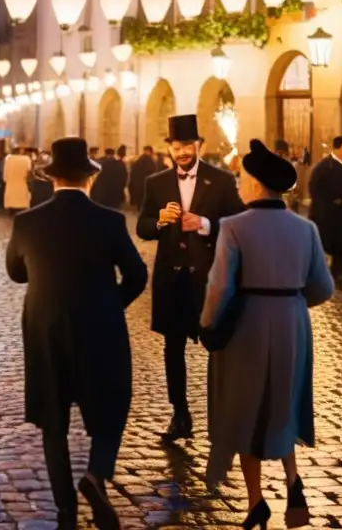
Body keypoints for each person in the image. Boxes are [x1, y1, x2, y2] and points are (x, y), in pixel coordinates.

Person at [6, 138, 147, 530]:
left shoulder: (26, 221)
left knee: (54, 423)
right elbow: (137, 274)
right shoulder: (110, 220)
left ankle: (65, 511)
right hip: (99, 328)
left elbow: (15, 272)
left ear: (52, 179)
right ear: (89, 179)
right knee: (112, 405)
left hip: (45, 329)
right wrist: (110, 304)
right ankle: (96, 473)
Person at [200, 141, 334, 530]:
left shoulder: (234, 227)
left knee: (246, 409)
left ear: (257, 185)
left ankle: (256, 500)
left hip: (247, 325)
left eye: (244, 178)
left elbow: (219, 287)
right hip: (293, 321)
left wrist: (208, 323)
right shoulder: (306, 229)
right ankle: (292, 480)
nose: (240, 185)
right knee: (284, 400)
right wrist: (290, 301)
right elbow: (323, 288)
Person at [136, 114, 244, 443]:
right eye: (177, 146)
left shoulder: (221, 180)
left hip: (210, 279)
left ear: (198, 146)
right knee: (173, 348)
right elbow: (142, 227)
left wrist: (206, 224)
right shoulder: (155, 183)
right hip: (172, 279)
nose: (183, 151)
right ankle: (180, 414)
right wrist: (159, 221)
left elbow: (238, 220)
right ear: (169, 148)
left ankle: (223, 414)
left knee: (218, 345)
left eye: (188, 145)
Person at [307, 136, 342, 280]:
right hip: (330, 214)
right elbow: (314, 188)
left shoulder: (340, 166)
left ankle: (341, 269)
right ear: (338, 148)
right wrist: (331, 204)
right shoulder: (325, 166)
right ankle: (337, 272)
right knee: (337, 243)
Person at [3, 146, 32, 213]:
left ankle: (11, 210)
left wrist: (6, 180)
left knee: (12, 202)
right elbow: (29, 171)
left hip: (11, 185)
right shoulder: (27, 159)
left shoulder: (8, 158)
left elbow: (5, 174)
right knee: (22, 203)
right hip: (22, 185)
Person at [128, 146, 157, 211]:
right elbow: (153, 172)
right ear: (149, 151)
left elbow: (133, 173)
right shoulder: (149, 161)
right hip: (146, 185)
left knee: (140, 201)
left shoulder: (138, 161)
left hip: (138, 185)